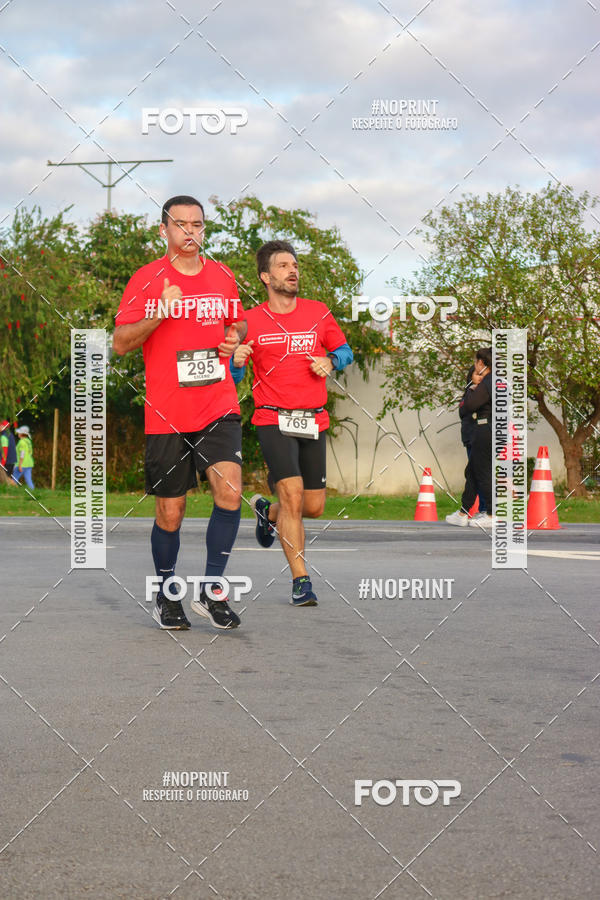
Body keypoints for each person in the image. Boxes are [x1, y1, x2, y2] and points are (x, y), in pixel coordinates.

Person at [113, 195, 247, 631]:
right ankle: (167, 594)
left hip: (218, 404)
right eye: (180, 224)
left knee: (230, 490)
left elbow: (239, 321)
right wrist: (160, 313)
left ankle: (212, 591)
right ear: (164, 230)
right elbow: (121, 342)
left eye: (197, 224)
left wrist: (233, 338)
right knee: (170, 512)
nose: (190, 232)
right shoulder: (147, 279)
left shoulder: (222, 275)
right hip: (167, 413)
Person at [232, 240, 353, 606]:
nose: (293, 270)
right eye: (284, 265)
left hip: (313, 420)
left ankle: (266, 513)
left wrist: (332, 362)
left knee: (312, 506)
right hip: (273, 417)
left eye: (295, 264)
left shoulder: (317, 312)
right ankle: (301, 580)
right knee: (292, 493)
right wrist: (237, 359)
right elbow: (234, 375)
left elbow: (345, 350)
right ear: (266, 277)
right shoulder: (248, 321)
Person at [446, 347, 494, 527]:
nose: (475, 366)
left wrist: (473, 387)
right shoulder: (495, 381)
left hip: (486, 429)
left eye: (476, 362)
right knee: (472, 471)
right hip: (486, 430)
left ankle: (491, 514)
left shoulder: (488, 382)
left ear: (482, 363)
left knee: (482, 471)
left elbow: (468, 406)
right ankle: (463, 512)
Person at [459, 363, 486, 518]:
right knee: (473, 473)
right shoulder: (469, 393)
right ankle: (474, 509)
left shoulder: (485, 394)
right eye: (477, 374)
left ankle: (484, 509)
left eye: (483, 375)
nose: (480, 378)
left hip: (482, 439)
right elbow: (464, 411)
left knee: (480, 474)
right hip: (471, 439)